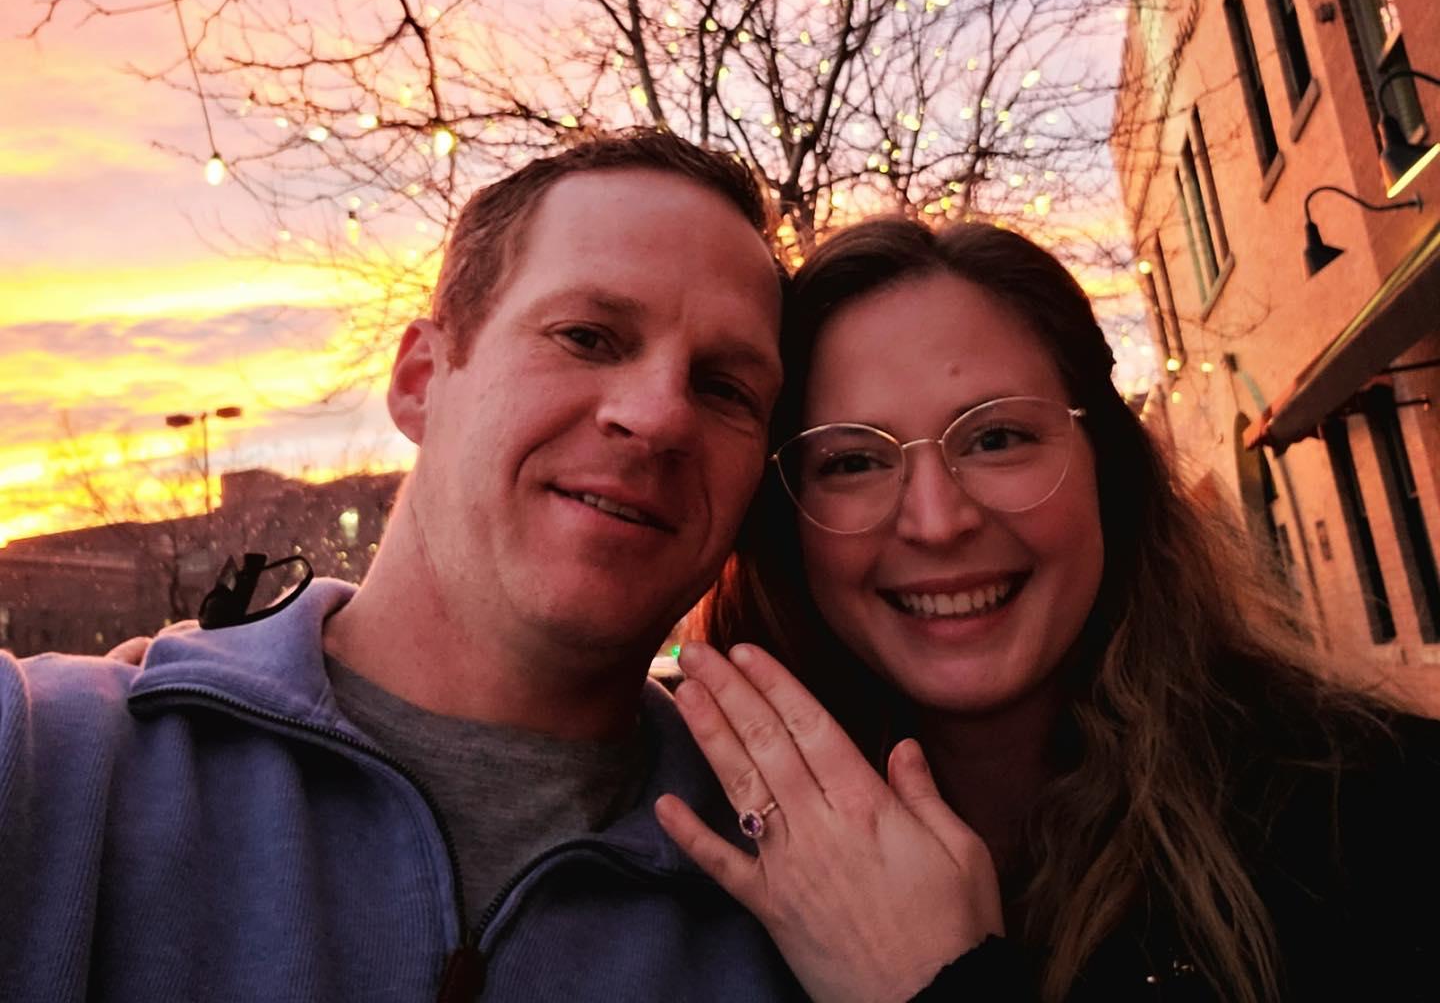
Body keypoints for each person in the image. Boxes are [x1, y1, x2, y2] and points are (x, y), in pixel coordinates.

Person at [0, 129, 814, 1002]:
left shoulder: (810, 887)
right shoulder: (51, 761)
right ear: (422, 378)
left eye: (726, 388)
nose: (657, 416)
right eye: (587, 336)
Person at [655, 216, 1440, 1002]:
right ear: (787, 527)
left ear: (1108, 467)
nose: (936, 520)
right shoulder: (686, 866)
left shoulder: (1386, 819)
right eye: (853, 461)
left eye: (995, 439)